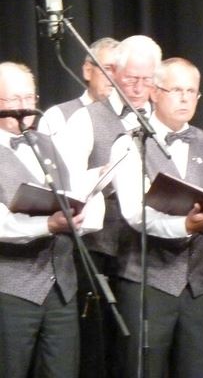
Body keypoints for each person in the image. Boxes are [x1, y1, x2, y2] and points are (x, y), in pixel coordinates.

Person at [110, 57, 203, 378]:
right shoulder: (130, 143)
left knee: (199, 370)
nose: (184, 98)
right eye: (176, 90)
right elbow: (135, 213)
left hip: (198, 286)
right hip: (147, 284)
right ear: (154, 92)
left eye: (191, 91)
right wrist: (185, 225)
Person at [57, 34, 162, 378]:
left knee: (138, 354)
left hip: (149, 254)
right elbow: (67, 187)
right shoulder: (87, 118)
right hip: (98, 251)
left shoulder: (159, 120)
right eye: (131, 78)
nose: (139, 87)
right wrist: (102, 175)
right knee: (99, 351)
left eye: (147, 79)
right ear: (113, 71)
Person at [0, 62, 104, 377]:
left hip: (62, 288)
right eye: (14, 99)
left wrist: (83, 211)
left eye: (29, 98)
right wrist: (47, 225)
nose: (24, 107)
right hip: (10, 291)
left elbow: (70, 194)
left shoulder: (46, 143)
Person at [40, 37, 119, 136]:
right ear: (88, 71)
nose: (114, 76)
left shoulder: (132, 117)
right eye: (107, 68)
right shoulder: (56, 117)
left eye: (119, 70)